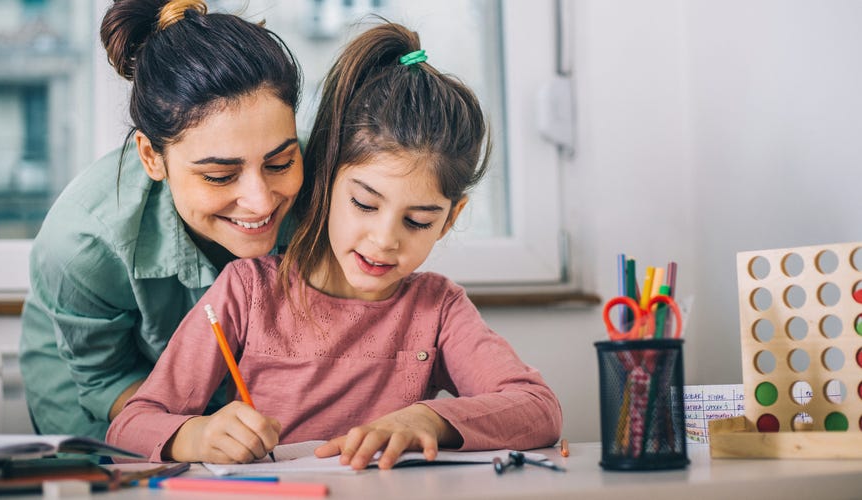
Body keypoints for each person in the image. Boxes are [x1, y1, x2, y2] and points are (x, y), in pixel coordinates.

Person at [107, 21, 562, 469]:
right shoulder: (248, 292)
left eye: (418, 220)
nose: (385, 240)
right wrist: (197, 435)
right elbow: (130, 425)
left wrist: (427, 419)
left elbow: (539, 409)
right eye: (365, 204)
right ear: (325, 181)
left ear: (450, 220)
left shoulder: (438, 309)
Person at [19, 0, 305, 441]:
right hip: (103, 396)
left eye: (281, 163)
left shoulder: (330, 185)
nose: (260, 201)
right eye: (219, 175)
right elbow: (104, 379)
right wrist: (189, 432)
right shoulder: (82, 242)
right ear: (153, 157)